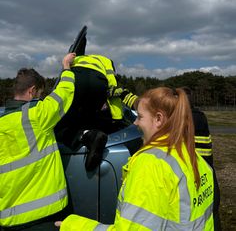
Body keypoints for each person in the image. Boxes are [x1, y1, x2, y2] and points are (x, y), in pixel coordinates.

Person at [55, 87, 214, 230]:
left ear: (158, 119)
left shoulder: (150, 164)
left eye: (140, 117)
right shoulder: (192, 156)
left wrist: (73, 225)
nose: (136, 122)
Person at [0, 52, 76, 230]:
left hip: (8, 220)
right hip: (43, 217)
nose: (40, 98)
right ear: (32, 91)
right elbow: (64, 93)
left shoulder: (2, 123)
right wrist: (66, 67)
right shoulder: (37, 116)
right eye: (40, 94)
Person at [55, 54, 137, 172]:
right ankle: (93, 135)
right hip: (99, 82)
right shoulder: (106, 62)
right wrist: (117, 120)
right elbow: (112, 83)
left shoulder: (77, 59)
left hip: (77, 78)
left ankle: (85, 135)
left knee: (63, 124)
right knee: (91, 116)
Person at [182, 86, 221, 231]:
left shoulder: (188, 119)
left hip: (197, 174)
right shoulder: (199, 116)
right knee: (212, 212)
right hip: (208, 172)